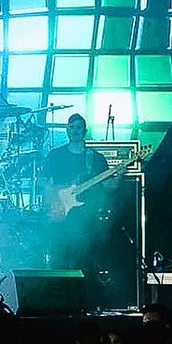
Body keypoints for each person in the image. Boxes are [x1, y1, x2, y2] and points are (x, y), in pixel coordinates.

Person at [41, 114, 113, 282]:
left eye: (79, 127)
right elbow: (47, 185)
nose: (75, 131)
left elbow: (110, 187)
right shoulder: (55, 155)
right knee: (59, 260)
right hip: (61, 216)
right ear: (67, 130)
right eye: (72, 127)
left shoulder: (96, 158)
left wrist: (119, 174)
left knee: (83, 263)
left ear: (85, 131)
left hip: (86, 218)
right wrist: (52, 205)